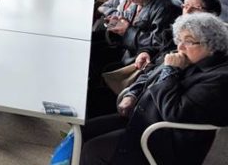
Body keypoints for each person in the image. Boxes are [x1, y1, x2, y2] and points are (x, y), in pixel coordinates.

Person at [81, 13, 228, 165]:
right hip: (142, 118)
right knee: (83, 131)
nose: (180, 47)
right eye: (179, 40)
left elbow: (175, 112)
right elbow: (149, 74)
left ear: (212, 45)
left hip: (161, 140)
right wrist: (132, 94)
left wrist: (170, 71)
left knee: (92, 151)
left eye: (189, 42)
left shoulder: (220, 79)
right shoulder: (187, 57)